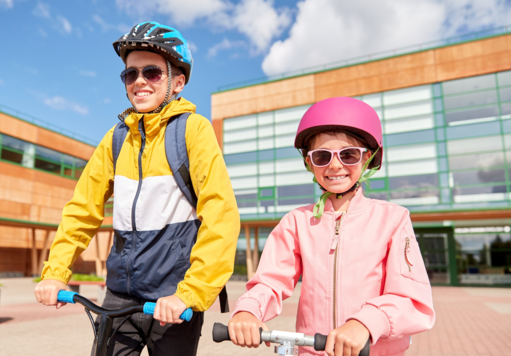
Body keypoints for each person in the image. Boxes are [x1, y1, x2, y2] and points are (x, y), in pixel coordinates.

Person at [34, 21, 240, 355]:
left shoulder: (193, 131)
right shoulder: (116, 139)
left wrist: (191, 292)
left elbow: (220, 215)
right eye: (130, 74)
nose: (139, 81)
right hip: (120, 297)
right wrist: (56, 273)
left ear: (178, 82)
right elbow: (81, 210)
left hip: (175, 299)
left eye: (152, 73)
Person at [227, 97, 435, 356]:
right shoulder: (296, 222)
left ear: (368, 158)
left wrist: (366, 322)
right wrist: (248, 310)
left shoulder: (393, 219)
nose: (335, 165)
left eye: (349, 154)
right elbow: (270, 282)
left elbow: (412, 299)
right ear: (309, 163)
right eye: (322, 156)